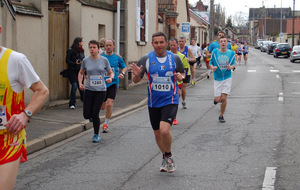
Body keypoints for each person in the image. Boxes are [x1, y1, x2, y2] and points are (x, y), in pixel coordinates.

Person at [0, 25, 49, 190]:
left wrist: (24, 115)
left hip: (8, 139)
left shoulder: (15, 60)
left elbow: (42, 91)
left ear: (0, 30)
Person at [131, 32, 185, 173]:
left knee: (164, 130)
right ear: (152, 44)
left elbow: (182, 75)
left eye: (161, 42)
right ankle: (165, 156)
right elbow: (135, 80)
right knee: (157, 134)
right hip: (154, 102)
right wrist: (136, 76)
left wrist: (181, 76)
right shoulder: (146, 59)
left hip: (170, 100)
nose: (159, 45)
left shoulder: (174, 58)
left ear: (166, 43)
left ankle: (168, 156)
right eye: (156, 42)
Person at [78, 40, 114, 143]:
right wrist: (80, 83)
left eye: (94, 47)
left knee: (95, 113)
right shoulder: (85, 60)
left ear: (98, 49)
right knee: (86, 114)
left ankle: (96, 134)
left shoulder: (104, 60)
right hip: (89, 90)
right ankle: (92, 118)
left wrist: (110, 78)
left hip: (101, 90)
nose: (92, 49)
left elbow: (110, 72)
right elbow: (81, 73)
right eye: (90, 47)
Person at [100, 39, 127, 133]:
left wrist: (122, 73)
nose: (108, 47)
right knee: (102, 107)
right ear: (104, 46)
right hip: (102, 83)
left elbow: (124, 66)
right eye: (106, 45)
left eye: (110, 45)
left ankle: (106, 124)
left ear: (113, 46)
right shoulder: (100, 56)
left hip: (113, 83)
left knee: (109, 103)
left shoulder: (117, 57)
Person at [209, 36, 235, 123]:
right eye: (221, 41)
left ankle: (221, 115)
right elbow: (210, 63)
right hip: (217, 78)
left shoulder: (231, 53)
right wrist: (213, 68)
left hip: (227, 77)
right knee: (218, 99)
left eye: (225, 41)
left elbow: (233, 65)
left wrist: (230, 67)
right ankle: (216, 100)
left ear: (227, 43)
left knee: (224, 98)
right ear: (219, 43)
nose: (223, 43)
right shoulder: (215, 52)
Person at [169, 38, 190, 125]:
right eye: (171, 45)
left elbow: (185, 69)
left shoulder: (181, 56)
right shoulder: (166, 55)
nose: (173, 47)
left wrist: (181, 77)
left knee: (175, 98)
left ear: (177, 45)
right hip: (168, 82)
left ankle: (174, 117)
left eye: (174, 45)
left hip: (178, 82)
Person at [66, 37, 85, 109]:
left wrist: (85, 73)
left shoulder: (82, 51)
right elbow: (67, 60)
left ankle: (85, 101)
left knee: (81, 87)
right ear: (78, 42)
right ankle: (72, 103)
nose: (82, 42)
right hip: (72, 71)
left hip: (80, 71)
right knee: (74, 86)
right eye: (82, 41)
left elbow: (84, 60)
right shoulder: (71, 50)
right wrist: (75, 63)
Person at [178, 36, 195, 108]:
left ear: (185, 42)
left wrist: (189, 60)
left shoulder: (188, 49)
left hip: (186, 71)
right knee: (178, 88)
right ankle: (175, 102)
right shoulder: (175, 49)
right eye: (180, 41)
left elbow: (194, 59)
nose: (181, 43)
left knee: (183, 86)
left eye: (182, 41)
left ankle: (184, 100)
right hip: (177, 70)